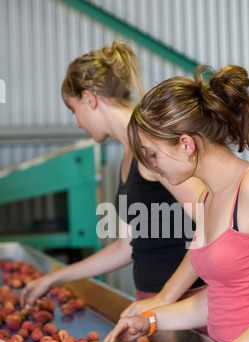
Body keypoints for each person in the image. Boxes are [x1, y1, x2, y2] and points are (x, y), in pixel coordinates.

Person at [98, 64, 249, 342]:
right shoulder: (208, 199)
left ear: (186, 145)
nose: (151, 166)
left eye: (152, 154)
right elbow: (222, 296)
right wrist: (150, 320)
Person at [20, 41, 205, 309]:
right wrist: (54, 278)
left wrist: (167, 296)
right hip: (154, 305)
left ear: (90, 99)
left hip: (187, 305)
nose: (77, 122)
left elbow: (213, 219)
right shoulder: (128, 155)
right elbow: (126, 247)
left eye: (75, 110)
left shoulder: (149, 143)